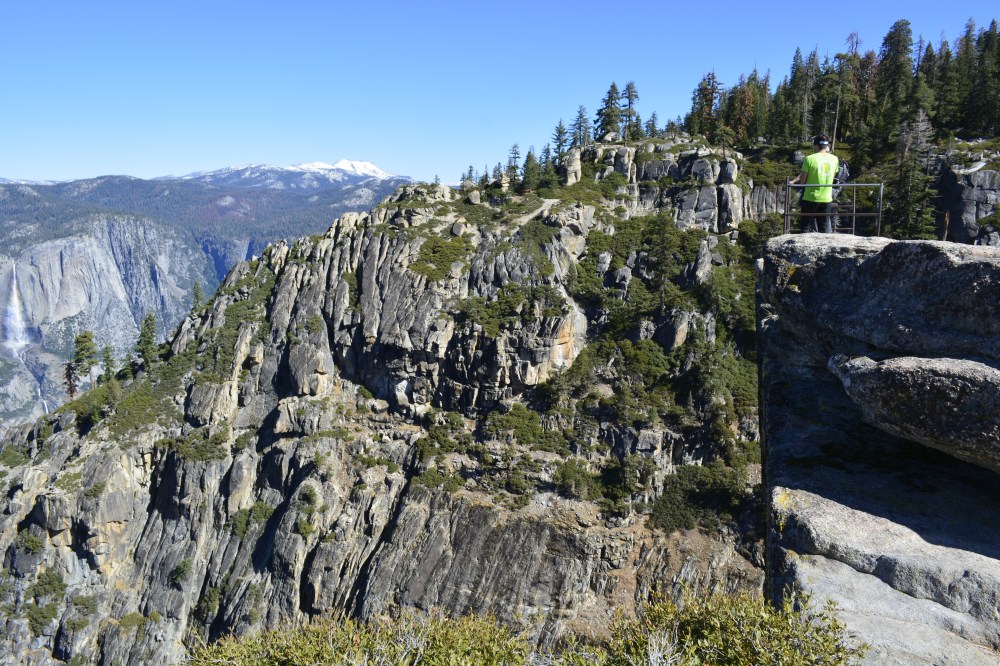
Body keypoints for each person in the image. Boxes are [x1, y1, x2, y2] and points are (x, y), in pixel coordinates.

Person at [791, 135, 840, 233]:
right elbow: (832, 175)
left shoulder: (809, 159)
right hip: (827, 198)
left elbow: (803, 181)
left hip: (810, 197)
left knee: (805, 226)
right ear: (826, 146)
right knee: (824, 226)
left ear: (816, 146)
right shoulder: (834, 159)